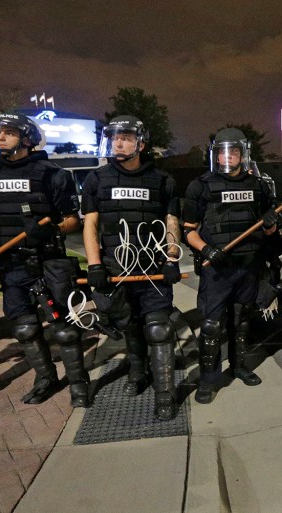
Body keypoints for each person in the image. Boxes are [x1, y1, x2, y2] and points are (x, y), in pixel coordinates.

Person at [0, 113, 89, 407]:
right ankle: (45, 379)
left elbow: (74, 221)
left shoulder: (52, 174)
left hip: (46, 264)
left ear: (26, 139)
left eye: (8, 132)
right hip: (10, 267)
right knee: (24, 328)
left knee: (64, 329)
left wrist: (48, 230)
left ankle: (78, 384)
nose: (0, 138)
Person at [81, 115, 182, 420]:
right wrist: (95, 265)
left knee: (159, 328)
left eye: (124, 137)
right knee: (130, 324)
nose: (118, 142)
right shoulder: (96, 180)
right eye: (114, 138)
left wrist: (172, 257)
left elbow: (171, 222)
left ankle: (165, 394)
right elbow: (91, 225)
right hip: (115, 268)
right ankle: (138, 370)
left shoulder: (163, 180)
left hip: (153, 268)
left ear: (141, 143)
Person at [183, 128, 281, 403]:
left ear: (243, 155)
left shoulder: (259, 186)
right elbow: (188, 230)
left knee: (241, 322)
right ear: (215, 155)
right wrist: (207, 249)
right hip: (217, 270)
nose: (229, 157)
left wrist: (272, 226)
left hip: (248, 267)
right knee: (212, 326)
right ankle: (208, 379)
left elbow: (269, 230)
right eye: (223, 152)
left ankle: (239, 366)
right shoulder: (200, 186)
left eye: (234, 152)